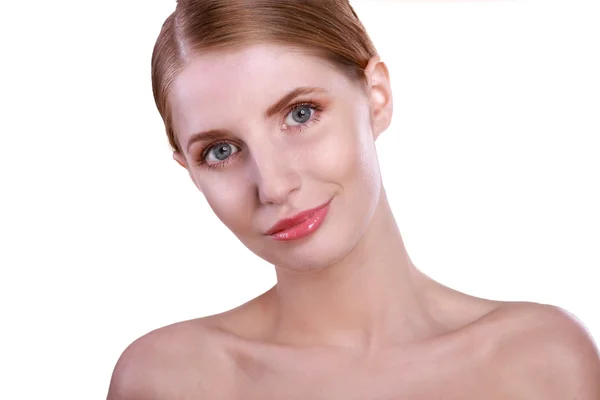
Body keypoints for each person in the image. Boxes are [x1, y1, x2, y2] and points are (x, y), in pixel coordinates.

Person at [107, 0, 600, 398]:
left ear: (377, 96)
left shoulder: (538, 361)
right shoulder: (168, 380)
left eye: (300, 115)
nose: (273, 186)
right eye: (221, 151)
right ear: (190, 172)